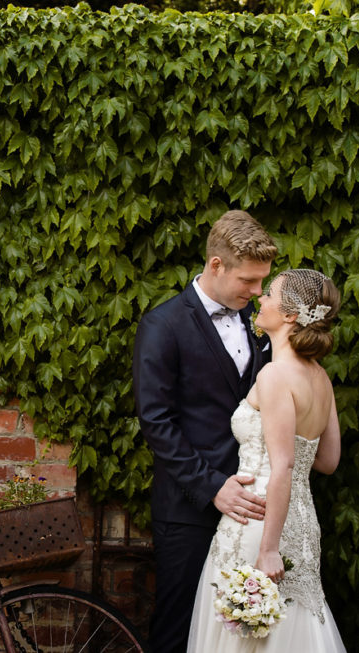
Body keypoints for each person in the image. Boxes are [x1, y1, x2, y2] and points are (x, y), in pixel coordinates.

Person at [133, 210, 279, 653]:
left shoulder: (260, 321)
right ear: (216, 266)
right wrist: (213, 487)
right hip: (188, 508)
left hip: (254, 506)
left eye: (262, 283)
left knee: (246, 634)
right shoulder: (163, 325)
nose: (257, 292)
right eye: (249, 281)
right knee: (179, 630)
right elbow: (157, 422)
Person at [187, 269, 345, 651]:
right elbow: (327, 461)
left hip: (258, 521)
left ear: (290, 314)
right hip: (302, 522)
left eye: (270, 293)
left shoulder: (275, 375)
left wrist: (269, 547)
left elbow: (283, 465)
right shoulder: (320, 377)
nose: (261, 298)